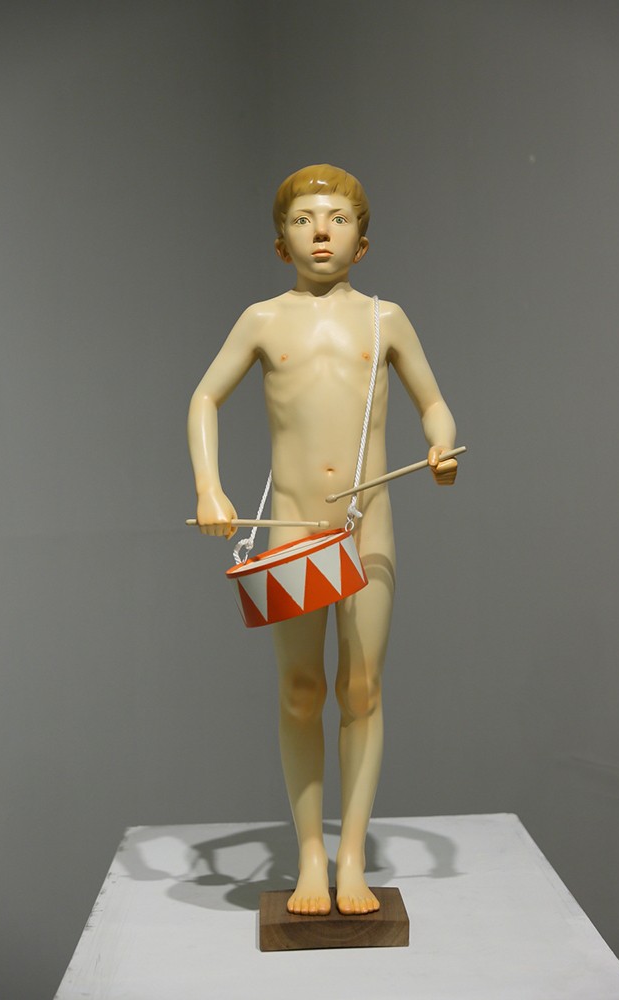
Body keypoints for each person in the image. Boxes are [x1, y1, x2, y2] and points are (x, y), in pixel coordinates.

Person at [187, 165, 457, 916]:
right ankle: (310, 854)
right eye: (304, 219)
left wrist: (440, 446)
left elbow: (434, 403)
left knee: (362, 689)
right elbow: (204, 396)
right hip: (293, 529)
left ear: (361, 243)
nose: (321, 232)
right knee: (301, 689)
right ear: (281, 243)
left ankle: (352, 857)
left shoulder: (385, 319)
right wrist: (209, 487)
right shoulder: (262, 320)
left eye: (337, 218)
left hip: (367, 527)